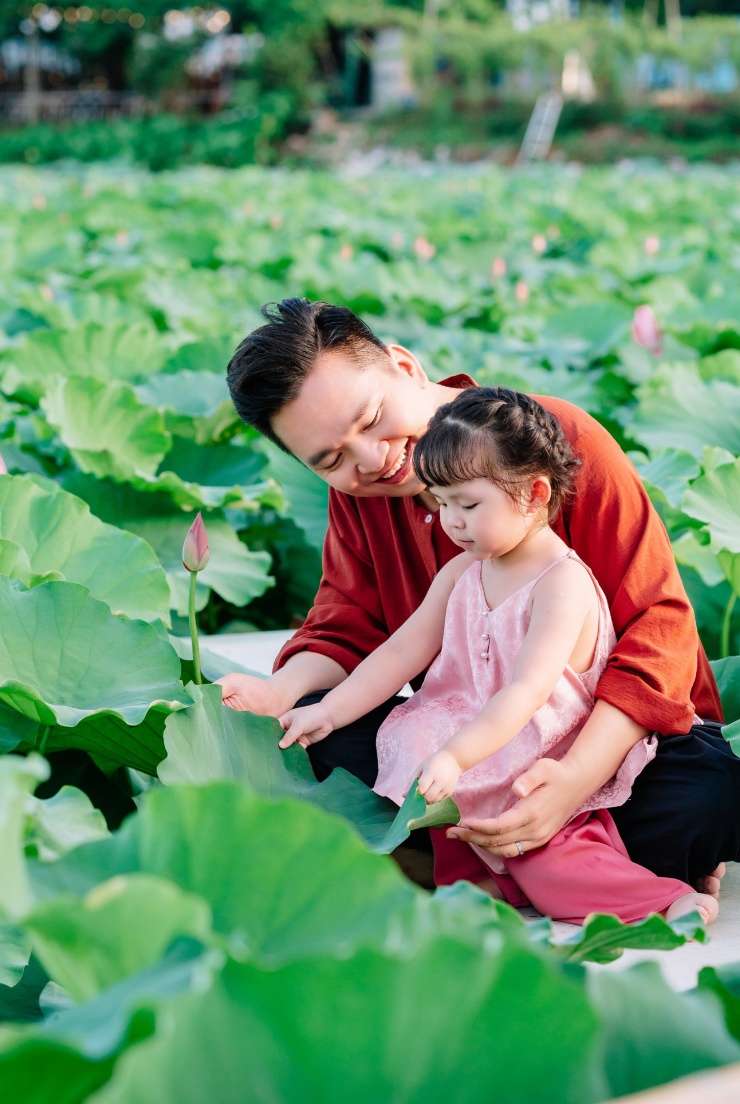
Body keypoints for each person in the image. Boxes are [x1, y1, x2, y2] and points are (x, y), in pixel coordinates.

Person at [221, 297, 739, 896]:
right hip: (466, 744)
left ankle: (475, 857)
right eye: (332, 459)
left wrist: (573, 779)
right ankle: (567, 864)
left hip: (610, 739)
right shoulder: (359, 495)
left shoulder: (555, 441)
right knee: (315, 729)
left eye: (370, 419)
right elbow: (349, 627)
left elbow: (659, 626)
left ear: (406, 367)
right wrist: (277, 693)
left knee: (713, 796)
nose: (373, 459)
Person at [277, 388, 717, 925]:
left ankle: (660, 901)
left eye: (467, 505)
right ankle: (479, 882)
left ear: (534, 493)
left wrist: (456, 757)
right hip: (471, 731)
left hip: (546, 747)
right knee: (422, 788)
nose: (450, 522)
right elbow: (401, 651)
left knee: (550, 859)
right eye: (441, 503)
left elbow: (526, 693)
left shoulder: (561, 583)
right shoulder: (465, 568)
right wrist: (328, 711)